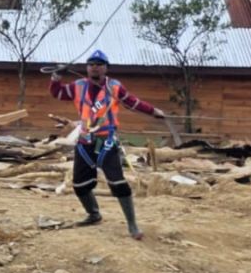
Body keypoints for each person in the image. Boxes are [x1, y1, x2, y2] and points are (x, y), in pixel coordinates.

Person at [49, 49, 168, 239]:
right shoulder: (78, 86)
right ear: (87, 68)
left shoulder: (114, 87)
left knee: (118, 183)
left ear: (106, 68)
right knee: (80, 185)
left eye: (99, 64)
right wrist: (56, 76)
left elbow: (133, 102)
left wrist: (154, 111)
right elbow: (58, 93)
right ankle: (93, 214)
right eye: (91, 64)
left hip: (107, 142)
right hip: (85, 142)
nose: (94, 67)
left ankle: (132, 225)